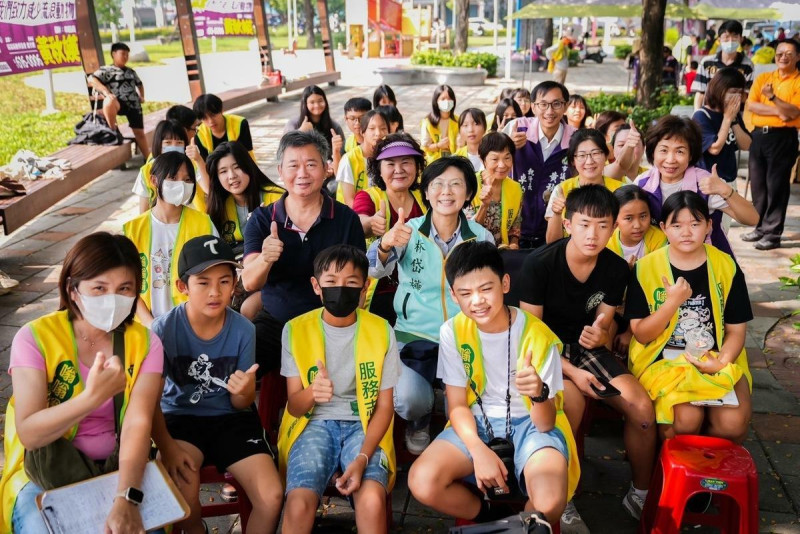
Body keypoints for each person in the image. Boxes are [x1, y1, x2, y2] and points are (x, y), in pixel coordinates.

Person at [0, 232, 163, 534]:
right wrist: (91, 398)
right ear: (72, 289)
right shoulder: (35, 338)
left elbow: (137, 425)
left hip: (119, 471)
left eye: (124, 289)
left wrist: (126, 498)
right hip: (46, 474)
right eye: (99, 288)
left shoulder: (146, 343)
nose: (112, 299)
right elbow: (30, 434)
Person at [408, 241, 578, 525]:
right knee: (422, 481)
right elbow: (458, 405)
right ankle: (492, 519)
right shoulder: (453, 331)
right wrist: (477, 450)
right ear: (453, 295)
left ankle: (522, 525)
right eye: (465, 293)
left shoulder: (538, 336)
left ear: (505, 283)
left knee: (549, 502)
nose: (477, 301)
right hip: (477, 423)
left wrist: (537, 393)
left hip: (532, 425)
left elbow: (547, 423)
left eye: (486, 289)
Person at [519, 185, 657, 528]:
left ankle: (640, 492)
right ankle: (560, 498)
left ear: (613, 229)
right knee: (571, 405)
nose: (592, 234)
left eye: (602, 225)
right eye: (584, 224)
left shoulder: (615, 268)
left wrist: (601, 330)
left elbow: (605, 317)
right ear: (568, 224)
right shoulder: (539, 264)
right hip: (544, 352)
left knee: (641, 411)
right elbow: (530, 338)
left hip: (587, 349)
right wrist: (572, 373)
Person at [151, 236, 282, 534]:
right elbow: (150, 402)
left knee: (271, 495)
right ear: (182, 286)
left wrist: (244, 392)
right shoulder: (162, 330)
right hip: (181, 420)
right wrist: (166, 446)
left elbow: (241, 403)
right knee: (181, 492)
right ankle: (197, 528)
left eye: (224, 282)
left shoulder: (244, 329)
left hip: (232, 420)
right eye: (203, 282)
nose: (215, 292)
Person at [367, 157, 492, 454]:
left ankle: (449, 417)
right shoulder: (408, 230)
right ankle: (420, 419)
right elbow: (374, 270)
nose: (446, 192)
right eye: (437, 184)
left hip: (464, 335)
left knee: (465, 408)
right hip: (413, 335)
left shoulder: (481, 237)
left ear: (468, 194)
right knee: (410, 400)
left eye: (455, 184)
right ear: (425, 192)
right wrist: (385, 244)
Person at [279, 245, 399, 534]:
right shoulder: (295, 330)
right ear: (316, 286)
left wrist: (362, 458)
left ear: (365, 287)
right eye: (331, 282)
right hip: (313, 423)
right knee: (298, 504)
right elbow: (294, 406)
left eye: (351, 283)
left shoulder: (382, 330)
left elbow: (385, 407)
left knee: (371, 500)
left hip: (365, 426)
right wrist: (312, 393)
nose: (340, 289)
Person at [627, 192, 753, 443]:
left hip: (716, 355)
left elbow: (736, 330)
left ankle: (707, 470)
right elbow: (641, 333)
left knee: (733, 424)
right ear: (663, 228)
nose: (686, 232)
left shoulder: (726, 265)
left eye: (695, 224)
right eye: (676, 225)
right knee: (685, 420)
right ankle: (668, 474)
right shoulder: (646, 267)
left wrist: (721, 362)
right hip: (663, 357)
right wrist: (671, 303)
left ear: (709, 225)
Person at [242, 130, 366, 377]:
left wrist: (350, 329)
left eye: (311, 164)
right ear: (280, 171)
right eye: (293, 165)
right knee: (242, 365)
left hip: (332, 322)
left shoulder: (346, 219)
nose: (302, 173)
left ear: (326, 168)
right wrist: (266, 258)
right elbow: (249, 281)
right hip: (277, 322)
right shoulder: (262, 219)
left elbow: (358, 284)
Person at [636, 115, 758, 256]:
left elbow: (752, 219)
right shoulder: (642, 184)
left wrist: (725, 191)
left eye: (680, 151)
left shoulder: (706, 183)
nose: (670, 160)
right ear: (652, 152)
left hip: (708, 264)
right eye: (664, 150)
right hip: (661, 265)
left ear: (691, 154)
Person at [124, 151, 216, 327]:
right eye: (173, 178)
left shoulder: (203, 224)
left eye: (188, 180)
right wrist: (151, 324)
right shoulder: (133, 229)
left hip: (192, 323)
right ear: (154, 181)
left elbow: (214, 276)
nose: (181, 185)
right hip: (143, 326)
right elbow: (126, 285)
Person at [354, 133, 428, 324]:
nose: (399, 170)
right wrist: (371, 223)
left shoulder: (426, 197)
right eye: (390, 164)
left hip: (423, 289)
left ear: (417, 166)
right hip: (380, 290)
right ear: (378, 169)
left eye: (406, 162)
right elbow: (359, 223)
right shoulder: (369, 197)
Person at [502, 81, 577, 249]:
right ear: (533, 107)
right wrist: (508, 147)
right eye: (543, 104)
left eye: (556, 104)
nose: (549, 111)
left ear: (565, 106)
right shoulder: (517, 128)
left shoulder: (575, 139)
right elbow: (490, 161)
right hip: (514, 231)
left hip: (556, 233)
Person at [742, 38, 800, 250]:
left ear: (798, 57)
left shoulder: (798, 81)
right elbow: (751, 105)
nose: (783, 57)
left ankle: (772, 233)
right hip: (759, 137)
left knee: (776, 186)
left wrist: (773, 98)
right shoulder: (764, 77)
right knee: (758, 185)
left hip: (783, 138)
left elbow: (795, 113)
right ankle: (758, 226)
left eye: (788, 53)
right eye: (779, 53)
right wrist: (781, 110)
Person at [545, 129, 626, 244]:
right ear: (573, 160)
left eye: (596, 153)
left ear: (606, 155)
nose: (589, 161)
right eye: (582, 155)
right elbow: (552, 244)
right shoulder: (561, 190)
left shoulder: (621, 190)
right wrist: (557, 214)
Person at [87, 42, 149, 158]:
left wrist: (142, 96)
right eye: (123, 54)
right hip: (117, 102)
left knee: (140, 133)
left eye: (127, 54)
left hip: (133, 104)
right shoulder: (106, 70)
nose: (125, 57)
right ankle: (113, 130)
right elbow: (92, 79)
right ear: (113, 54)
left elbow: (139, 84)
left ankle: (149, 159)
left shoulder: (130, 71)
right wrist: (106, 92)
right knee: (108, 101)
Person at [132, 119, 208, 214]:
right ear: (159, 144)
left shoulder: (192, 164)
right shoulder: (146, 171)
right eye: (168, 142)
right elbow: (143, 210)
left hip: (193, 220)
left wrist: (199, 160)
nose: (174, 146)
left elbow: (208, 188)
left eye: (179, 142)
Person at [692, 67, 751, 184]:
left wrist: (733, 120)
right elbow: (714, 148)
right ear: (720, 90)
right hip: (708, 181)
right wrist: (727, 119)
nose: (737, 97)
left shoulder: (733, 114)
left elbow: (746, 145)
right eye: (733, 92)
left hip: (729, 179)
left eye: (740, 93)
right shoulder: (701, 116)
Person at [471, 132, 523, 248]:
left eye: (507, 158)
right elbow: (467, 228)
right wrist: (484, 206)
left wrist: (514, 243)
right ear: (482, 159)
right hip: (474, 250)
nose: (502, 165)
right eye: (495, 159)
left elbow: (516, 224)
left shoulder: (515, 188)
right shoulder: (470, 185)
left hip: (503, 252)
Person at [692, 20, 754, 110]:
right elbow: (700, 92)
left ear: (741, 39)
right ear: (719, 39)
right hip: (710, 114)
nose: (730, 41)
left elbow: (747, 95)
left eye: (735, 36)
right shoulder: (707, 63)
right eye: (726, 37)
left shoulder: (747, 65)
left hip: (736, 114)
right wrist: (697, 114)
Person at [336, 109, 390, 206]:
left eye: (383, 128)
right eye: (372, 128)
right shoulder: (349, 159)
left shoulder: (389, 156)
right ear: (362, 132)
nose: (378, 133)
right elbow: (349, 201)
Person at [608, 185, 667, 263]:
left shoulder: (658, 239)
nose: (637, 225)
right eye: (628, 218)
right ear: (614, 218)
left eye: (643, 216)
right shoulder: (607, 241)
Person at [193, 93, 254, 161]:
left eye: (213, 115)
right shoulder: (199, 134)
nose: (210, 121)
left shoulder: (240, 123)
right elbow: (205, 163)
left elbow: (248, 153)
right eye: (204, 118)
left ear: (221, 110)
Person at [421, 85, 459, 163]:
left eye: (449, 98)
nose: (447, 101)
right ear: (436, 101)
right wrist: (438, 145)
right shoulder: (428, 122)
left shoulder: (458, 120)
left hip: (455, 159)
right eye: (443, 99)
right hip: (435, 161)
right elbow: (425, 147)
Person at [455, 108, 488, 173]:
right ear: (459, 130)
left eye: (476, 124)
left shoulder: (494, 154)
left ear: (485, 127)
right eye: (465, 125)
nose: (471, 130)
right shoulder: (456, 158)